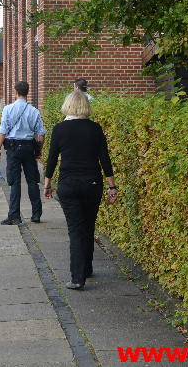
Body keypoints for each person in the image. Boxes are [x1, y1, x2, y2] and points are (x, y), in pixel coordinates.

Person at [44, 90, 116, 290]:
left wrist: (47, 183)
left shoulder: (59, 129)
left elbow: (51, 159)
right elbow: (105, 160)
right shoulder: (95, 129)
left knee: (76, 230)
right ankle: (87, 268)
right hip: (92, 184)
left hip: (68, 185)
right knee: (89, 226)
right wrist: (112, 186)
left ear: (67, 106)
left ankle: (77, 278)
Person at [0, 81, 46, 225]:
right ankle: (36, 214)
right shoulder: (34, 111)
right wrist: (39, 150)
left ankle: (14, 216)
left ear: (15, 92)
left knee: (14, 182)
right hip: (29, 148)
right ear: (27, 92)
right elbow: (41, 134)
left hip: (12, 148)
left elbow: (2, 131)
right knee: (32, 181)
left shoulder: (8, 109)